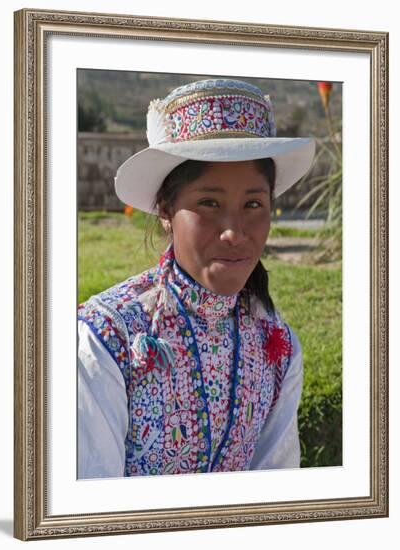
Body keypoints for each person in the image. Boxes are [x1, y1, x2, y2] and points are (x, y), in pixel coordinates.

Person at [77, 78, 315, 479]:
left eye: (254, 204)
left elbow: (275, 488)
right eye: (209, 203)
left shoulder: (279, 348)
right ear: (167, 211)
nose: (234, 232)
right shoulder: (105, 340)